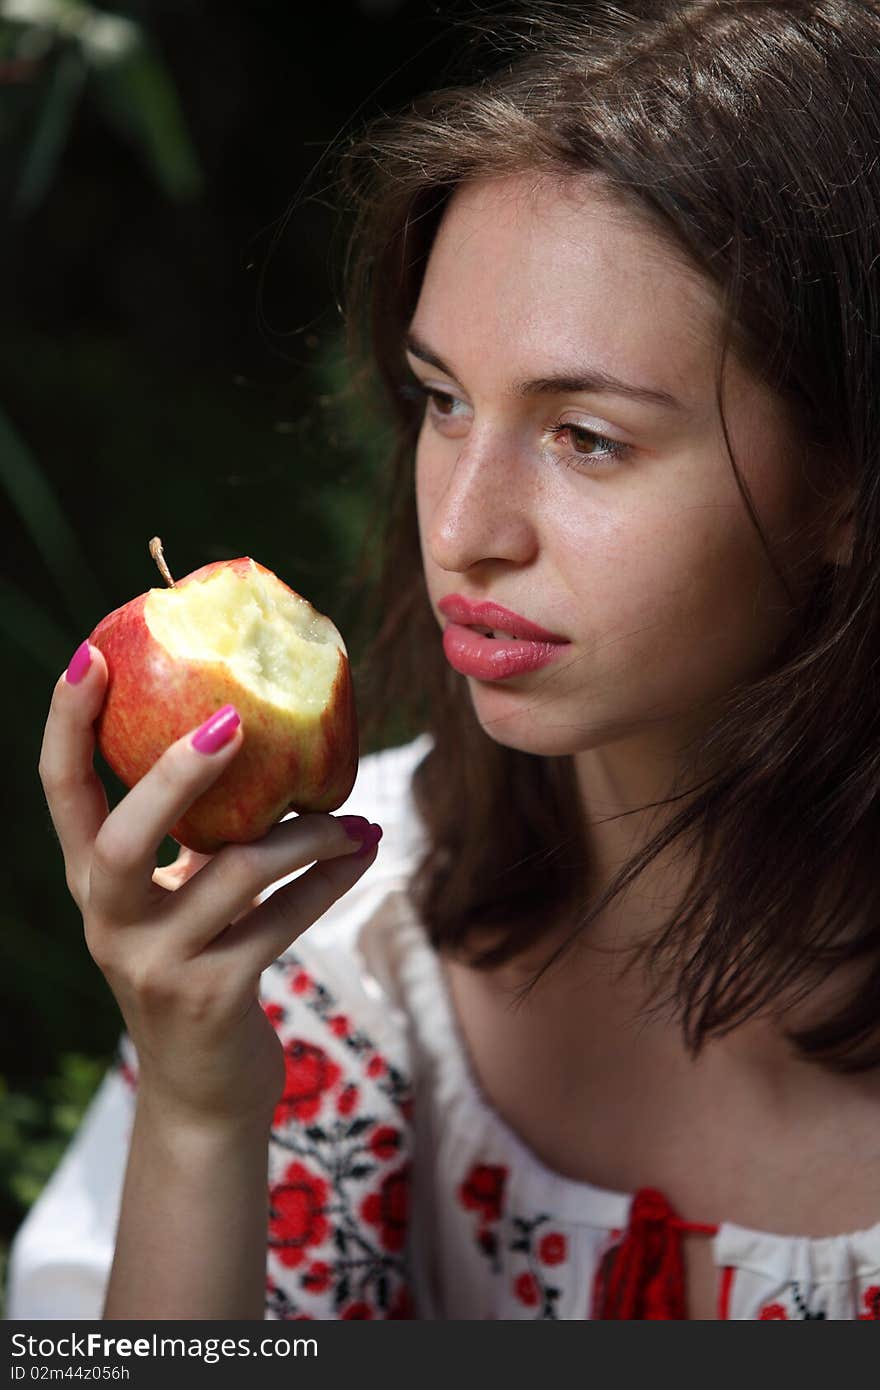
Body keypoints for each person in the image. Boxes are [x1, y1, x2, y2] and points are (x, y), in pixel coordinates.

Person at [8, 0, 880, 1322]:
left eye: (588, 436)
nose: (463, 532)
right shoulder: (325, 949)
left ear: (848, 490)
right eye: (442, 400)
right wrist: (197, 1105)